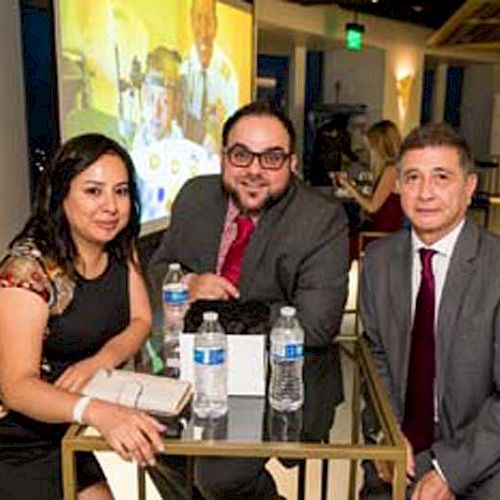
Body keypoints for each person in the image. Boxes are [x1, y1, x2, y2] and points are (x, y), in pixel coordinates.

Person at [147, 101, 349, 498]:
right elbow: (158, 269)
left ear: (291, 163)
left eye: (272, 157)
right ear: (224, 158)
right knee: (145, 441)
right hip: (195, 367)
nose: (254, 170)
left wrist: (219, 312)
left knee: (219, 478)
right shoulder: (195, 196)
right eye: (241, 155)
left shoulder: (320, 217)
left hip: (282, 377)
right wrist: (187, 284)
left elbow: (317, 322)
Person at [0, 134, 165, 499]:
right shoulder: (27, 269)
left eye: (121, 192)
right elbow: (15, 388)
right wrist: (96, 411)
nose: (111, 206)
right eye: (93, 191)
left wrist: (99, 362)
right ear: (61, 194)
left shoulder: (121, 248)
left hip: (81, 424)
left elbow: (141, 321)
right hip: (22, 438)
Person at [360, 123, 500, 499]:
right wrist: (386, 433)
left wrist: (449, 471)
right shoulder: (377, 261)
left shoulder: (496, 267)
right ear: (399, 185)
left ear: (469, 187)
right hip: (401, 451)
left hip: (484, 458)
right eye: (412, 178)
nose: (424, 193)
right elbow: (375, 361)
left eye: (441, 177)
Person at [131, 46, 219, 222]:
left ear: (176, 104)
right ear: (141, 98)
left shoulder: (190, 151)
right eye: (150, 99)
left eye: (165, 101)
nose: (156, 111)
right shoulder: (129, 154)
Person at [333, 119, 404, 260]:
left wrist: (349, 186)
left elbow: (372, 207)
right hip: (380, 232)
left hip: (380, 236)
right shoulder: (393, 169)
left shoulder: (391, 171)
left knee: (337, 246)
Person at [181, 0, 239, 153]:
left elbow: (235, 128)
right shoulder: (182, 66)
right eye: (198, 19)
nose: (203, 29)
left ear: (216, 25)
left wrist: (220, 122)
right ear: (191, 23)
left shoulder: (227, 74)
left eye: (208, 20)